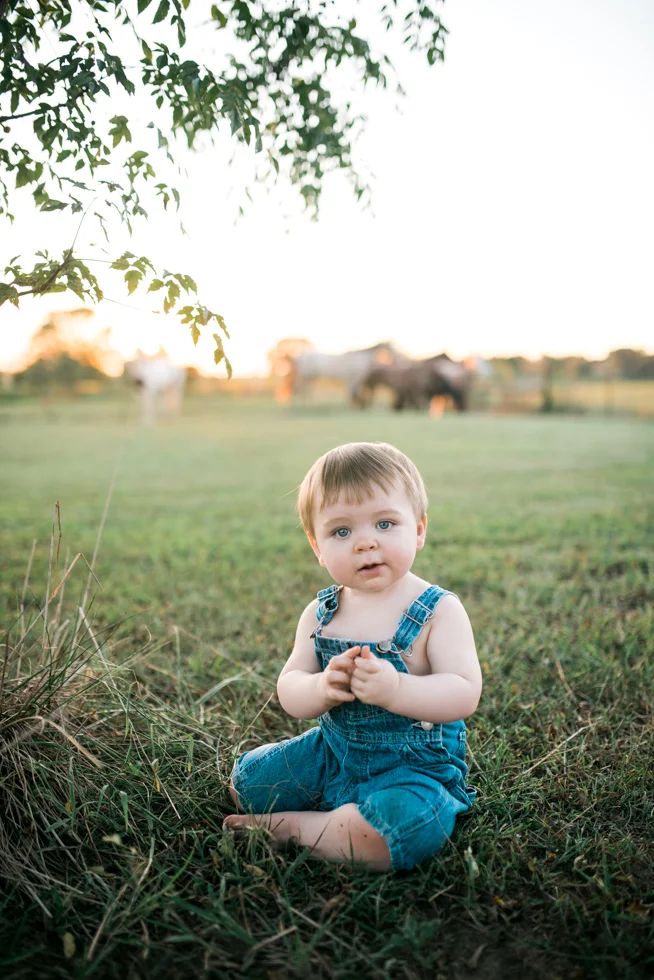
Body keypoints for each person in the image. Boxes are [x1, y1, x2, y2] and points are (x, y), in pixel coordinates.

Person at [223, 442, 482, 872]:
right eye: (341, 532)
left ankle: (293, 828)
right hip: (332, 752)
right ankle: (334, 820)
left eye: (385, 523)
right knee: (247, 783)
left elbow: (463, 692)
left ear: (419, 530)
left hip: (414, 769)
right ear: (317, 547)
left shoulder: (438, 610)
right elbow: (290, 688)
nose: (365, 543)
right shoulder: (320, 613)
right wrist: (321, 687)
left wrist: (397, 689)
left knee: (401, 828)